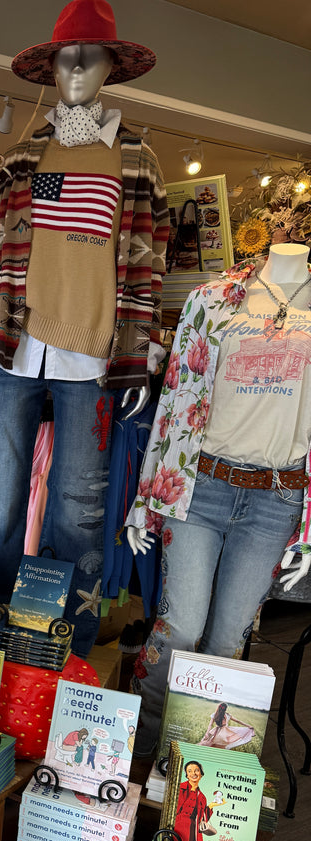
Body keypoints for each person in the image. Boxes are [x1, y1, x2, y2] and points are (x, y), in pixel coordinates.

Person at [0, 0, 169, 656]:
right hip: (18, 347)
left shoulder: (137, 159)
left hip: (94, 353)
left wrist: (137, 353)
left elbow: (148, 261)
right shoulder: (23, 157)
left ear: (112, 66)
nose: (76, 68)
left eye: (90, 55)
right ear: (50, 68)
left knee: (77, 510)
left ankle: (62, 647)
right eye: (65, 57)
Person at [126, 242, 311, 754]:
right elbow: (177, 400)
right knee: (179, 626)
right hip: (202, 486)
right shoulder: (214, 299)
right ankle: (141, 754)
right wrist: (148, 498)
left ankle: (189, 764)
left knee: (227, 640)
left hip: (277, 497)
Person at [173, 761, 220, 841]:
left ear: (201, 774)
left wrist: (211, 806)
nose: (193, 773)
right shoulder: (178, 788)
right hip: (176, 823)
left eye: (196, 770)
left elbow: (202, 819)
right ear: (186, 775)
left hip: (190, 828)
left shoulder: (202, 797)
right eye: (189, 771)